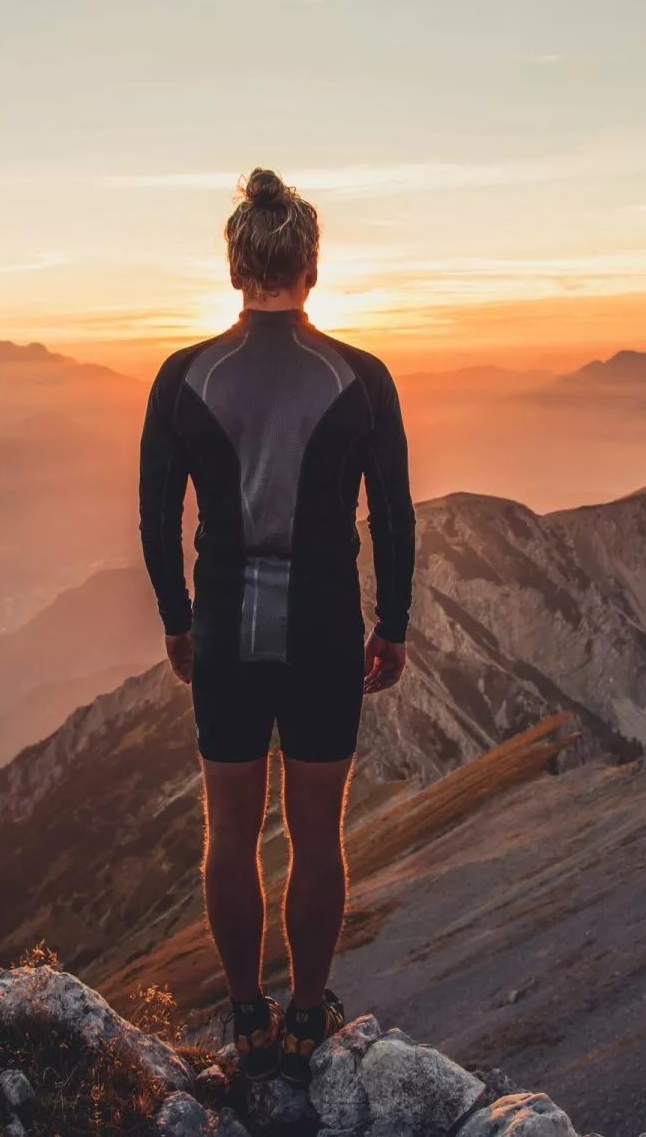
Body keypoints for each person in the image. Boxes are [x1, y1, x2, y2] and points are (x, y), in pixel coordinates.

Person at [137, 168, 416, 1085]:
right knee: (316, 836)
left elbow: (155, 516)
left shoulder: (184, 377)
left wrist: (179, 622)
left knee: (228, 835)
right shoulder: (362, 377)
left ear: (234, 264)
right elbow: (394, 515)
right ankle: (306, 1015)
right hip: (327, 626)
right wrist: (395, 625)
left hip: (225, 622)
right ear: (312, 266)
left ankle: (247, 1018)